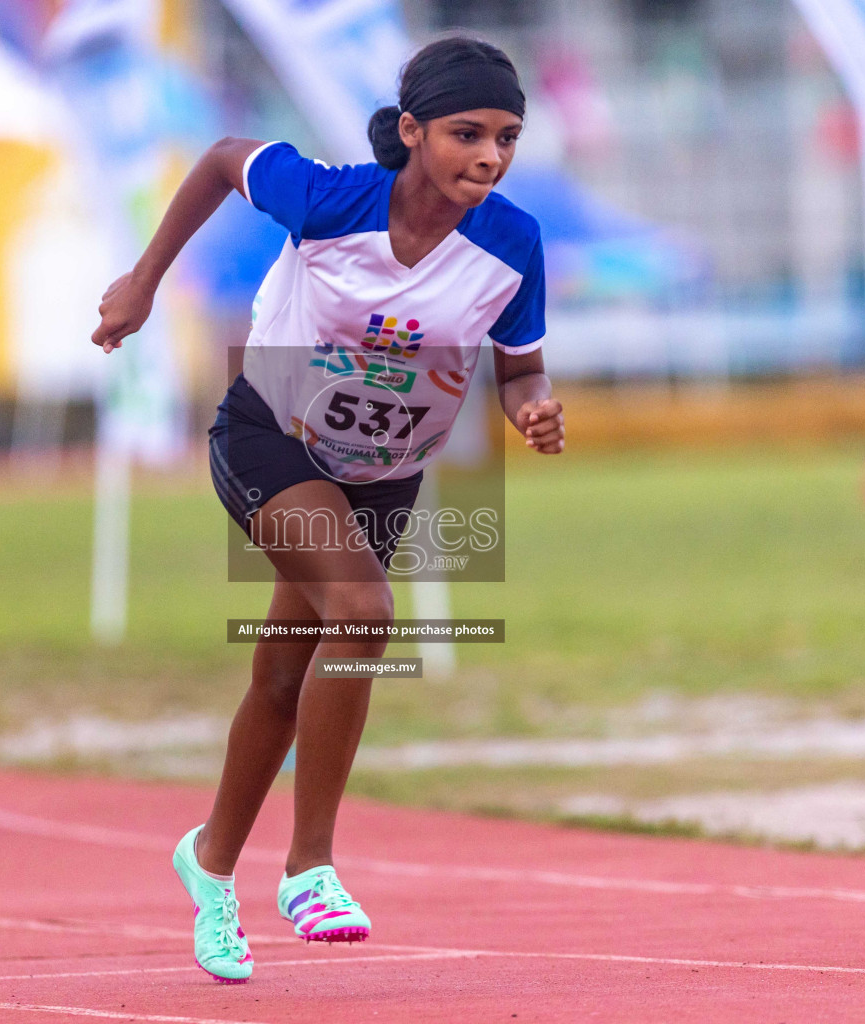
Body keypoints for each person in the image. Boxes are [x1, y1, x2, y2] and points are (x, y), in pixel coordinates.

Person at [92, 37, 563, 983]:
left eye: (507, 138)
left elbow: (520, 368)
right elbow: (225, 157)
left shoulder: (512, 244)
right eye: (468, 134)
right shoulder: (329, 199)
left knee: (281, 679)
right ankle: (310, 866)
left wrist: (532, 411)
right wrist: (144, 282)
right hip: (272, 435)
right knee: (364, 611)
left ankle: (210, 864)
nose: (489, 156)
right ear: (413, 130)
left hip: (385, 474)